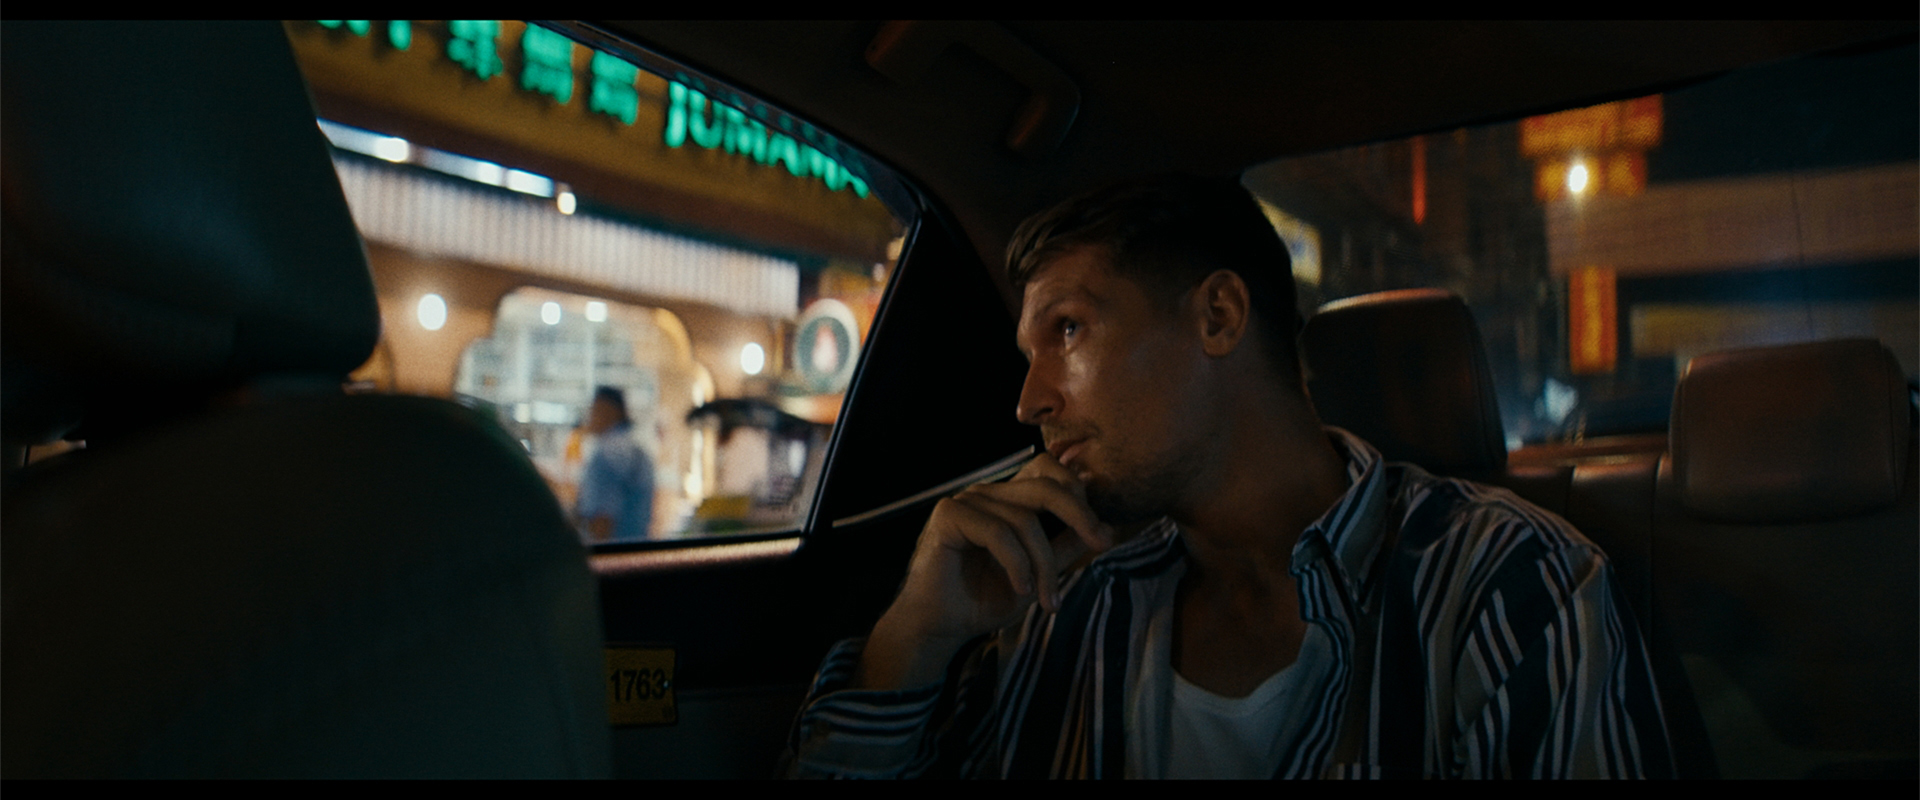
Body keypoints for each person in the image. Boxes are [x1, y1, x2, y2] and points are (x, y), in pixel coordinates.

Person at [785, 176, 1673, 778]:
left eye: (1069, 331)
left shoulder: (1510, 588)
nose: (1029, 401)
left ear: (1217, 316)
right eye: (1031, 353)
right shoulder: (1066, 601)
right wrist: (916, 637)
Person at [576, 386, 654, 543]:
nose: (589, 417)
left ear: (609, 410)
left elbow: (602, 520)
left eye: (593, 410)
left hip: (612, 550)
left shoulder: (605, 453)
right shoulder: (639, 451)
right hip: (637, 549)